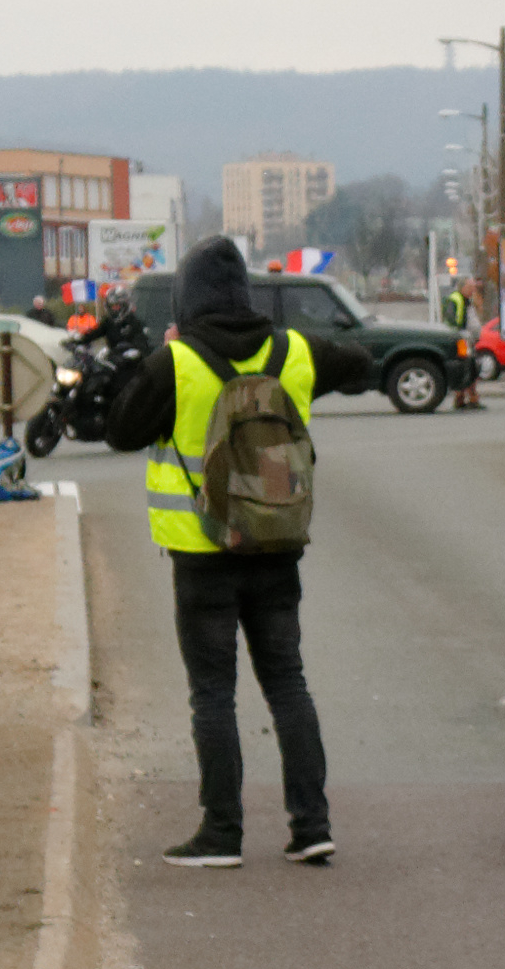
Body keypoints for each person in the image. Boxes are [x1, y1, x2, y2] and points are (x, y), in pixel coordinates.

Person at [103, 236, 367, 869]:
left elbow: (118, 432)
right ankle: (312, 826)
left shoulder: (178, 361)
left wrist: (157, 361)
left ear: (186, 298)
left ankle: (222, 833)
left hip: (201, 554)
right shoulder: (295, 351)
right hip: (277, 545)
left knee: (213, 695)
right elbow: (359, 365)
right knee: (288, 684)